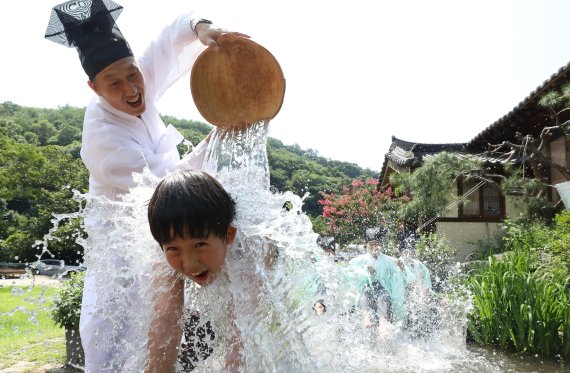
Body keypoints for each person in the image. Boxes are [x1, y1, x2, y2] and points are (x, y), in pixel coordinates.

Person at [44, 1, 248, 371]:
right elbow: (167, 191)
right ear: (94, 87)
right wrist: (216, 137)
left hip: (164, 235)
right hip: (121, 259)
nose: (133, 90)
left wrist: (204, 28)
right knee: (115, 349)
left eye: (134, 75)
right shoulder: (102, 136)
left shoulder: (135, 80)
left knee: (171, 323)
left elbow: (172, 37)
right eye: (115, 84)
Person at [147, 169, 241, 371]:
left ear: (228, 235)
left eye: (200, 245)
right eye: (173, 248)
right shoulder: (164, 253)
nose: (189, 264)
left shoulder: (249, 252)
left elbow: (241, 332)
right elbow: (165, 319)